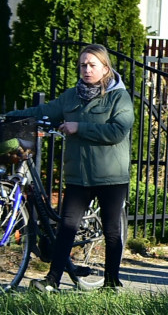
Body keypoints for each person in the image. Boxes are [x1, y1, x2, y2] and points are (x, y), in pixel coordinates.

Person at [11, 45, 132, 293]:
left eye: (92, 65)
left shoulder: (119, 97)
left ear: (105, 68)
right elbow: (42, 111)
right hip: (78, 175)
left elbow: (118, 131)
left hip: (110, 176)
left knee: (111, 230)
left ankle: (111, 284)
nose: (86, 69)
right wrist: (9, 116)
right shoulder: (71, 96)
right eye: (83, 65)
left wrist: (80, 127)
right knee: (66, 228)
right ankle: (52, 281)